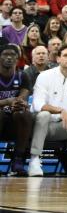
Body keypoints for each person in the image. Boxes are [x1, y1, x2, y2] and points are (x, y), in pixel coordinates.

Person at [27, 46, 67, 176]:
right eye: (66, 55)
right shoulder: (44, 76)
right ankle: (34, 160)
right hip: (42, 125)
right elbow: (38, 104)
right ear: (58, 59)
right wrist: (60, 110)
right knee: (44, 114)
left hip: (65, 126)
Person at [0, 44, 33, 174]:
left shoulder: (22, 76)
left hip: (14, 123)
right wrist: (7, 101)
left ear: (17, 58)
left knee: (24, 114)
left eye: (12, 55)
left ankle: (18, 159)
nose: (9, 57)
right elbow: (8, 101)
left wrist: (20, 102)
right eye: (5, 54)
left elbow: (24, 95)